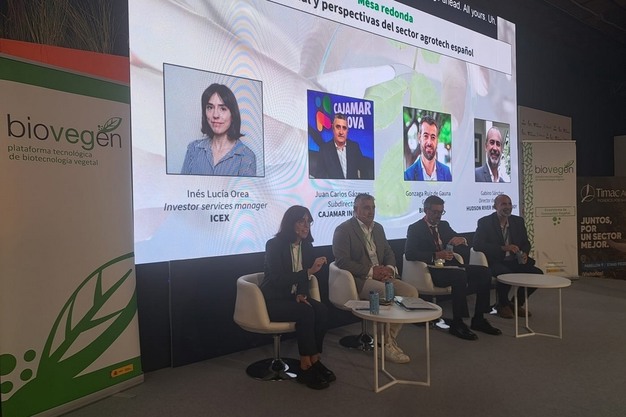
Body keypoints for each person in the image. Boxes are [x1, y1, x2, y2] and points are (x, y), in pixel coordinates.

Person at [332, 193, 418, 363]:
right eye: (366, 208)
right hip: (360, 279)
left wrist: (389, 269)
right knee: (387, 293)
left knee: (411, 293)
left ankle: (386, 340)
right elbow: (342, 261)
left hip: (383, 276)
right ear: (355, 209)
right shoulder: (343, 230)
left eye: (373, 208)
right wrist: (372, 272)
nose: (371, 211)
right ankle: (384, 346)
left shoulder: (378, 228)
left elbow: (388, 252)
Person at [404, 196, 501, 340]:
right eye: (435, 212)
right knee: (459, 276)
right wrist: (435, 255)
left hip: (451, 265)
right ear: (426, 210)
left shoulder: (444, 225)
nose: (438, 216)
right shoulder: (415, 228)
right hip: (432, 270)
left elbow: (457, 237)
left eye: (441, 212)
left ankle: (479, 318)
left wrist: (462, 239)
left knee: (484, 272)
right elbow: (410, 253)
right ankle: (457, 323)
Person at [260, 205, 335, 390]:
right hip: (273, 300)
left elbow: (303, 278)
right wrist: (309, 271)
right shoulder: (274, 245)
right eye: (301, 221)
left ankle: (315, 359)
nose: (306, 226)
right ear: (290, 223)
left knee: (321, 310)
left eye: (308, 222)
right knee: (305, 313)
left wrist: (301, 293)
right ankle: (305, 366)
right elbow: (277, 279)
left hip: (293, 297)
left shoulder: (306, 246)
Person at [473, 194, 543, 319]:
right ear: (495, 207)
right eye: (503, 204)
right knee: (505, 273)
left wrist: (524, 253)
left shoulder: (518, 221)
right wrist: (503, 248)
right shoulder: (485, 222)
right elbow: (478, 245)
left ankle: (516, 304)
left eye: (510, 204)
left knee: (537, 274)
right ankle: (503, 304)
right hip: (495, 261)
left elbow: (525, 243)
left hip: (515, 260)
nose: (508, 207)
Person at [181, 83, 256, 176]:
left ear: (233, 114)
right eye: (210, 107)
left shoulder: (246, 157)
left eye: (223, 109)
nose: (215, 115)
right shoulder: (193, 149)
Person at [316, 113, 372, 179]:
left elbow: (365, 172)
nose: (341, 132)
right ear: (333, 128)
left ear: (347, 131)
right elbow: (319, 178)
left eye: (344, 128)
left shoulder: (354, 147)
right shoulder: (324, 150)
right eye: (338, 127)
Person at [404, 115, 452, 181]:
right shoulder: (408, 175)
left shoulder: (446, 172)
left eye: (433, 137)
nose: (429, 142)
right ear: (419, 138)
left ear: (437, 140)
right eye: (425, 136)